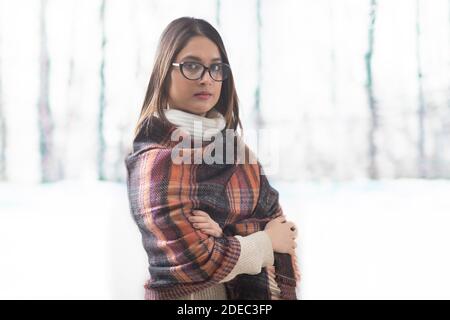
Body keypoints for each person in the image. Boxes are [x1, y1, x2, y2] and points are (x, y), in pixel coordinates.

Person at [125, 16, 300, 300]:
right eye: (192, 66)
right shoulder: (156, 163)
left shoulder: (240, 155)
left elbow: (284, 234)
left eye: (216, 68)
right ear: (163, 72)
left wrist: (223, 237)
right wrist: (264, 242)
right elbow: (194, 261)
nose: (207, 78)